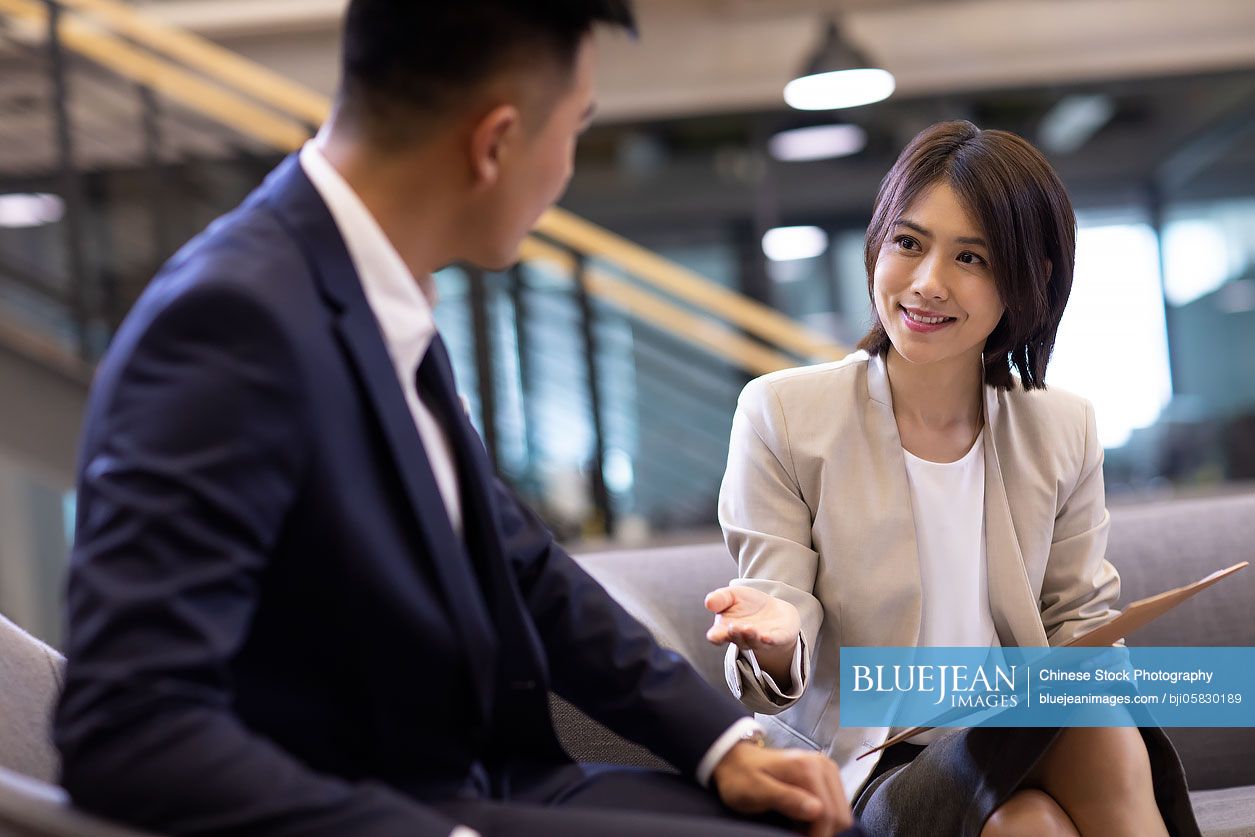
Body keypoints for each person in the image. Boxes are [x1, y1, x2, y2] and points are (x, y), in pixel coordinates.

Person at [52, 2, 863, 836]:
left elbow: (521, 566)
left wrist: (723, 743)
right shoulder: (232, 322)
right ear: (494, 142)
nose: (568, 166)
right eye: (574, 130)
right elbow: (128, 730)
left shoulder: (375, 289)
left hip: (494, 779)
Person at [705, 121, 1201, 837]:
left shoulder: (1060, 426)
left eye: (970, 256)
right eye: (908, 242)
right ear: (878, 243)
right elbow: (778, 600)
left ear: (1027, 280)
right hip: (868, 768)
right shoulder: (783, 412)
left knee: (1044, 795)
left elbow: (1078, 621)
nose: (927, 282)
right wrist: (775, 635)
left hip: (1016, 741)